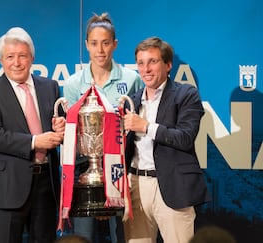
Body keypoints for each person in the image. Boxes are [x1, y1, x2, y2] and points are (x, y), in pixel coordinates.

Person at [0, 27, 65, 243]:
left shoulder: (50, 86)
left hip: (46, 184)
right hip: (9, 186)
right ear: (1, 60)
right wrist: (36, 141)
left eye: (22, 56)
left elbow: (60, 128)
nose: (16, 62)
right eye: (10, 57)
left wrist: (62, 128)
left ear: (32, 58)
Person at [63, 12, 143, 243]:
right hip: (84, 172)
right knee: (82, 238)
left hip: (121, 172)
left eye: (106, 43)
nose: (100, 50)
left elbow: (135, 131)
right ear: (87, 45)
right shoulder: (73, 84)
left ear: (115, 45)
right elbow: (70, 134)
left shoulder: (131, 79)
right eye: (95, 43)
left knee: (122, 236)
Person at [123, 36, 211, 243]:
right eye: (141, 63)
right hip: (135, 186)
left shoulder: (186, 94)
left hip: (172, 188)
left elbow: (185, 138)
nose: (146, 69)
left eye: (152, 61)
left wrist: (145, 126)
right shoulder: (131, 100)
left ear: (168, 65)